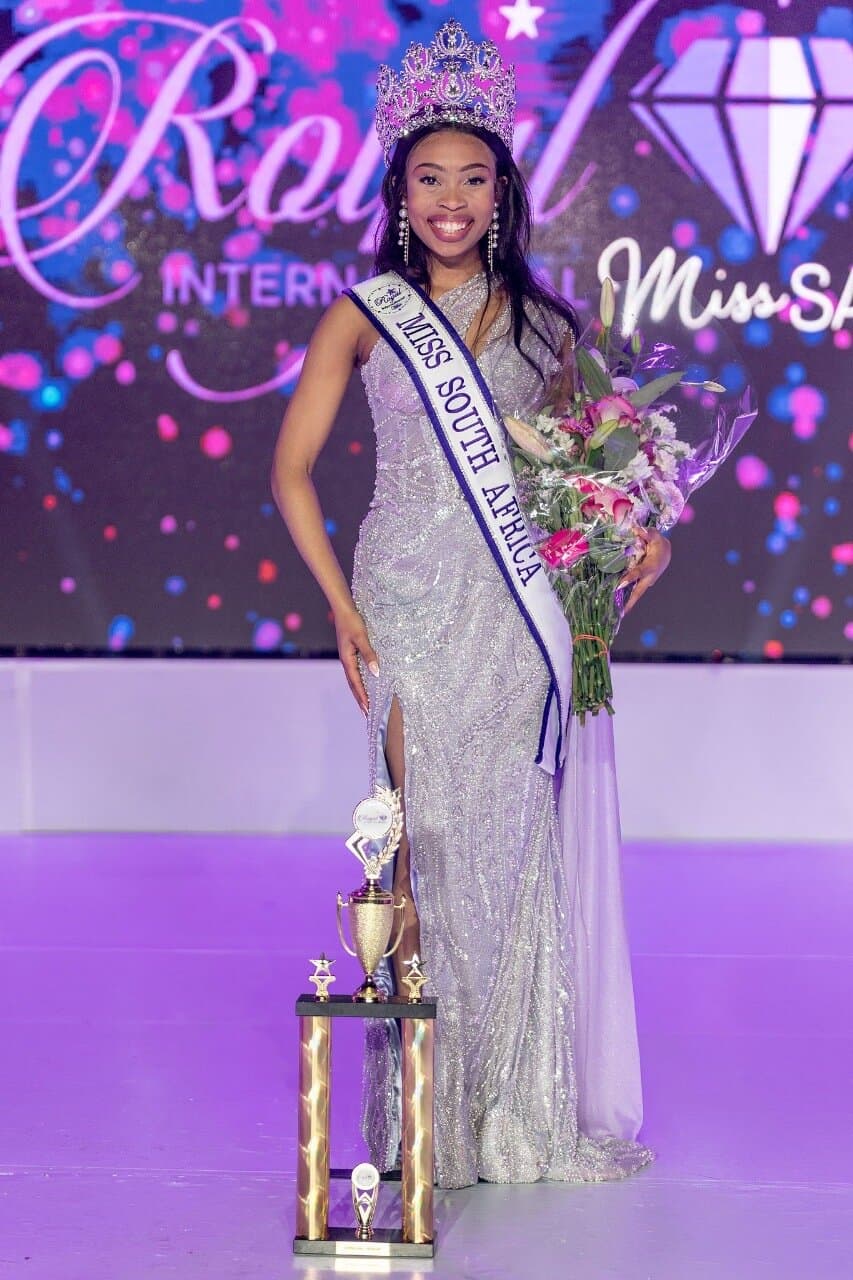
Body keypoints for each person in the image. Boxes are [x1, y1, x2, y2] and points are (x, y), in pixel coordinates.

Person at [272, 20, 669, 1189]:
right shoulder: (360, 314)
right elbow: (288, 471)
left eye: (473, 177)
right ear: (400, 190)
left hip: (512, 616)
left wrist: (631, 539)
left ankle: (518, 1115)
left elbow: (594, 474)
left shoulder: (553, 329)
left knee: (512, 851)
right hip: (402, 605)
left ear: (502, 192)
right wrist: (343, 608)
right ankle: (426, 1126)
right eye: (429, 178)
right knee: (426, 854)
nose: (451, 200)